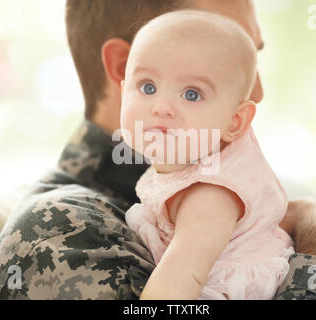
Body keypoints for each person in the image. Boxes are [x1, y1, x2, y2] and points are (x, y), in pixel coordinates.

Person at [0, 0, 316, 300]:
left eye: (251, 60)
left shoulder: (243, 191)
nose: (258, 92)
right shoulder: (58, 233)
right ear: (122, 68)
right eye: (224, 47)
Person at [120, 9, 294, 300]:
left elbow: (181, 276)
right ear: (123, 90)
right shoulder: (187, 152)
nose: (161, 106)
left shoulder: (211, 193)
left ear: (235, 121)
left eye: (192, 94)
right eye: (147, 87)